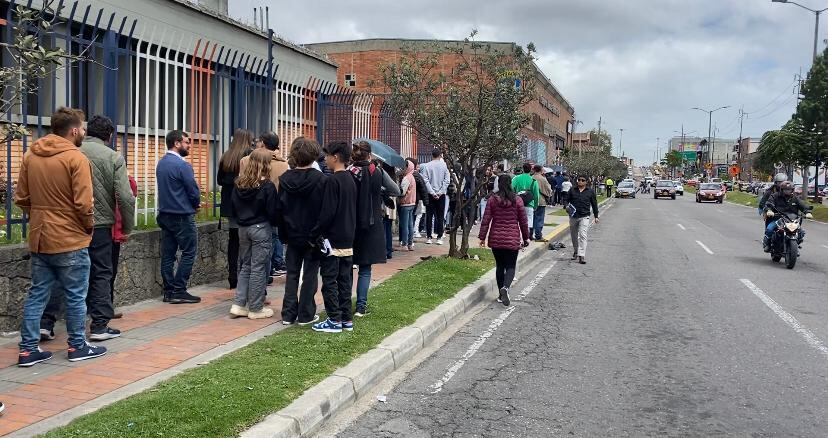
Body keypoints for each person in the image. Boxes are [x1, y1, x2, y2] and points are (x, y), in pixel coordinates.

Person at [15, 107, 106, 366]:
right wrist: (87, 227)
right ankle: (77, 346)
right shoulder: (76, 158)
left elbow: (22, 198)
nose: (84, 134)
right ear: (74, 130)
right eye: (84, 129)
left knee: (37, 294)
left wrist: (41, 215)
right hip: (70, 238)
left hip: (41, 236)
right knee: (76, 294)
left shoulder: (31, 154)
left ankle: (27, 350)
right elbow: (84, 204)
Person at [39, 115, 136, 341]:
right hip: (100, 225)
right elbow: (125, 196)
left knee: (60, 273)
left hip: (67, 224)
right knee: (102, 271)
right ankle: (100, 324)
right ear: (109, 136)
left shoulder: (68, 153)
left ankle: (46, 322)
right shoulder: (113, 157)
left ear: (87, 131)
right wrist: (127, 227)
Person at [276, 137, 327, 325]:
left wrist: (284, 234)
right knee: (310, 274)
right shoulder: (321, 179)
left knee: (292, 273)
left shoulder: (285, 179)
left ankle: (288, 314)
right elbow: (324, 210)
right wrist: (319, 232)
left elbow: (280, 209)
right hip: (313, 234)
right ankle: (306, 313)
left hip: (292, 233)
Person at [350, 140, 401, 317]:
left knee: (347, 266)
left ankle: (344, 303)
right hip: (372, 223)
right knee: (365, 268)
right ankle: (361, 307)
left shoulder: (349, 172)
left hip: (351, 223)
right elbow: (396, 190)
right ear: (370, 155)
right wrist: (379, 190)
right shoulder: (376, 171)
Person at [312, 142, 357, 333]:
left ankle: (333, 319)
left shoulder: (333, 181)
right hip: (348, 236)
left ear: (336, 157)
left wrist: (316, 232)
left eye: (327, 155)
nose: (325, 159)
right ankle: (346, 317)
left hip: (333, 238)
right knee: (345, 280)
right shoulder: (351, 179)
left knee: (330, 279)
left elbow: (327, 212)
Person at [229, 148, 278, 319]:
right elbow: (272, 211)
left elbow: (233, 207)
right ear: (266, 164)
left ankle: (239, 304)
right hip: (260, 228)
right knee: (258, 268)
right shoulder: (267, 186)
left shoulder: (239, 183)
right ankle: (256, 308)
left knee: (246, 266)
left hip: (243, 228)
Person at [156, 130, 202, 304]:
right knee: (189, 251)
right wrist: (195, 204)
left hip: (165, 213)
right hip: (182, 215)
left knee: (168, 254)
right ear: (176, 143)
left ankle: (169, 290)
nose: (189, 145)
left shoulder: (161, 164)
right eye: (186, 142)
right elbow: (193, 190)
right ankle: (179, 289)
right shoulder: (183, 165)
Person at [242, 131, 289, 278]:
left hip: (248, 212)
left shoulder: (245, 161)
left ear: (262, 142)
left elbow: (240, 186)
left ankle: (248, 291)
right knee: (270, 244)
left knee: (247, 261)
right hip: (274, 209)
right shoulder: (283, 165)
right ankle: (270, 272)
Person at [478, 174, 529, 307]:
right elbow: (523, 221)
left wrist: (482, 237)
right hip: (512, 237)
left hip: (496, 237)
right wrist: (526, 237)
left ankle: (501, 295)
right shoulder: (517, 200)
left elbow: (486, 220)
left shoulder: (493, 200)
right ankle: (505, 288)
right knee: (511, 266)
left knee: (500, 266)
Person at [216, 128, 254, 289]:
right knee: (247, 241)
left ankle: (232, 276)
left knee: (234, 241)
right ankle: (245, 275)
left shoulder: (226, 156)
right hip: (245, 203)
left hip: (229, 204)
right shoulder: (250, 156)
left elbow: (219, 180)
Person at [762, 181, 813, 252]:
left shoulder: (795, 198)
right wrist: (769, 210)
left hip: (792, 220)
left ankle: (796, 245)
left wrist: (808, 212)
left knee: (801, 232)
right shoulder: (775, 196)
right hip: (778, 219)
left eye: (789, 190)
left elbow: (803, 205)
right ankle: (768, 244)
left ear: (792, 190)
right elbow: (769, 203)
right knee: (770, 229)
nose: (787, 191)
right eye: (785, 189)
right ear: (781, 190)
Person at [420, 148, 450, 245]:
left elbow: (425, 180)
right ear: (440, 155)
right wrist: (440, 192)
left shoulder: (427, 166)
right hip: (441, 195)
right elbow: (447, 180)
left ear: (432, 155)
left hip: (430, 194)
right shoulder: (445, 166)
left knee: (429, 215)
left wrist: (432, 192)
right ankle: (439, 237)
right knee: (440, 216)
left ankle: (429, 237)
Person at [567, 176, 600, 264]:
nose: (580, 182)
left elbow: (594, 204)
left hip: (584, 216)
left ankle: (581, 255)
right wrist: (566, 206)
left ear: (586, 182)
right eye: (579, 180)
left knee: (583, 234)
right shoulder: (572, 190)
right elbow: (566, 200)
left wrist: (596, 216)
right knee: (574, 235)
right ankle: (576, 251)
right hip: (573, 216)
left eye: (583, 180)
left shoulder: (590, 191)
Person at [511, 163, 539, 238]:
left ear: (522, 169)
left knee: (518, 221)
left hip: (518, 203)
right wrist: (536, 205)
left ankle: (519, 237)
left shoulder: (516, 178)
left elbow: (511, 189)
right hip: (530, 204)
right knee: (529, 221)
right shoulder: (533, 181)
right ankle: (526, 237)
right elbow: (536, 195)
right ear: (531, 170)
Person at [398, 159, 417, 251]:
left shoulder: (406, 178)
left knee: (404, 225)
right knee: (410, 224)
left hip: (405, 203)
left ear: (407, 167)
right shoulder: (412, 177)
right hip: (412, 203)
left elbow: (402, 192)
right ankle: (410, 244)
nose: (403, 168)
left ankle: (404, 244)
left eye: (404, 167)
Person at [531, 164, 554, 241]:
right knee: (539, 219)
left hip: (531, 201)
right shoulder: (543, 179)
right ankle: (538, 236)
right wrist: (549, 195)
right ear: (541, 170)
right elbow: (548, 190)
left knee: (531, 218)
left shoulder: (531, 178)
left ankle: (530, 235)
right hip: (541, 201)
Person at [411, 158, 429, 238]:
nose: (418, 168)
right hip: (417, 199)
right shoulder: (417, 176)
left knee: (416, 215)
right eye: (417, 167)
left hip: (415, 199)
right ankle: (415, 231)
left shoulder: (407, 175)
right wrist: (426, 201)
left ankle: (414, 231)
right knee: (418, 215)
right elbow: (423, 189)